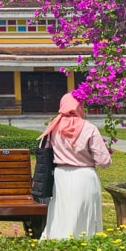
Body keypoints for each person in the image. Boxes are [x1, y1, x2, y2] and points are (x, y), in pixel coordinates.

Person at [38, 92, 112, 240]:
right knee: (84, 214)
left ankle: (58, 241)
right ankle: (84, 243)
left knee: (61, 213)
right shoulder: (89, 128)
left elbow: (44, 151)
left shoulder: (53, 127)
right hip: (84, 177)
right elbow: (104, 161)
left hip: (61, 177)